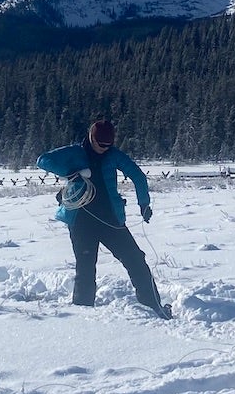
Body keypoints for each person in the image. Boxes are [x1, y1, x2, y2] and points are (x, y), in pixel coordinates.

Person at [37, 119, 171, 318]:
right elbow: (43, 160)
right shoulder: (76, 152)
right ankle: (83, 316)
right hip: (81, 221)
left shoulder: (114, 155)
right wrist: (71, 174)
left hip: (111, 220)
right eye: (101, 145)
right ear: (91, 137)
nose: (104, 149)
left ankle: (153, 306)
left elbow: (138, 176)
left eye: (109, 145)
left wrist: (144, 203)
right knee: (86, 269)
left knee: (136, 260)